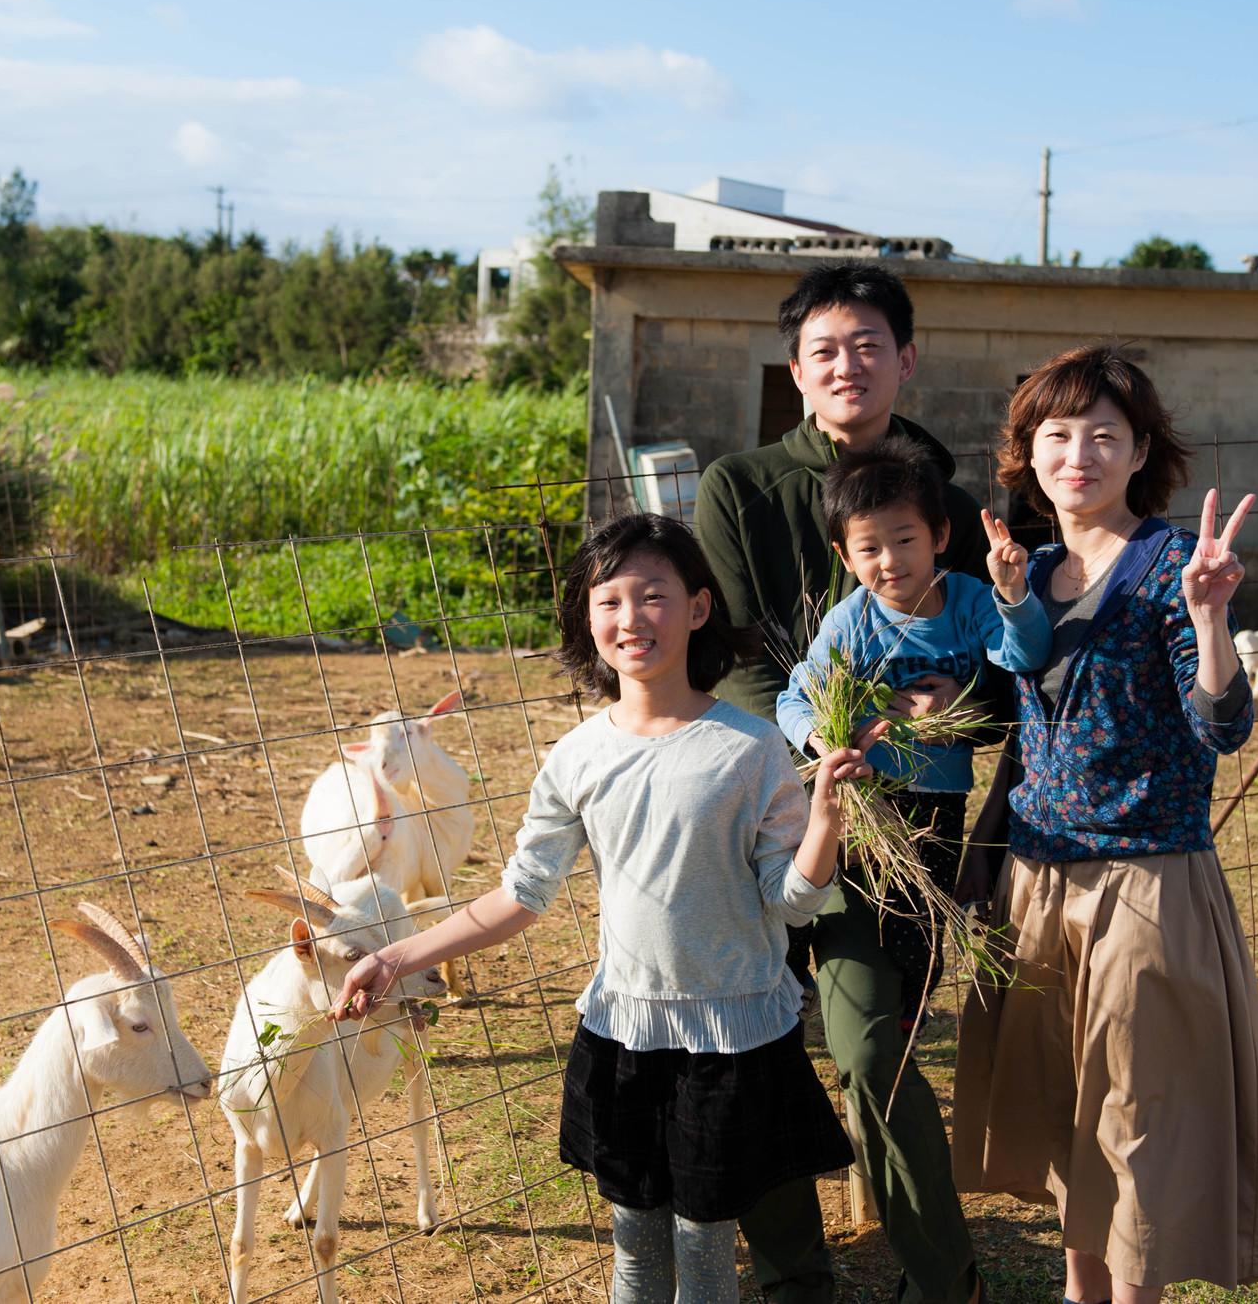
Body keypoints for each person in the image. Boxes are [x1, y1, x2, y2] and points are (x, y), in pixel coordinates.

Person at [332, 512, 870, 1304]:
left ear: (697, 607)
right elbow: (521, 896)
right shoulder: (578, 756)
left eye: (653, 596)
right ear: (587, 618)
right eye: (609, 600)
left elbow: (791, 904)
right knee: (635, 1255)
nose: (630, 618)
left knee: (707, 1259)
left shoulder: (751, 750)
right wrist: (395, 957)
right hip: (624, 1034)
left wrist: (823, 820)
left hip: (730, 1039)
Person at [952, 344, 1258, 1303]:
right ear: (1026, 455)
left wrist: (1212, 621)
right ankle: (1081, 1290)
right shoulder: (1032, 574)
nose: (1080, 454)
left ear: (1140, 450)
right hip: (1037, 876)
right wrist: (988, 853)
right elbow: (1029, 738)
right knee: (1070, 1104)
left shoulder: (1169, 570)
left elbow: (1219, 726)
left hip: (1146, 882)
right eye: (1056, 435)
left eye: (1104, 434)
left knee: (1136, 1116)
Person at [694, 260, 987, 1304]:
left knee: (874, 1047)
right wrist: (830, 732)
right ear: (796, 368)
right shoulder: (740, 486)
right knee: (750, 1031)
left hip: (897, 827)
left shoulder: (949, 499)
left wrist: (933, 714)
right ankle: (790, 1271)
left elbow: (986, 677)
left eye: (869, 344)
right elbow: (725, 651)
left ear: (905, 359)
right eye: (825, 348)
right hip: (763, 804)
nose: (847, 364)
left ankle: (943, 1278)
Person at [776, 438, 1048, 1031]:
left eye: (905, 540)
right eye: (869, 547)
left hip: (938, 797)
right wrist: (823, 742)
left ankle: (909, 1006)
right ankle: (790, 984)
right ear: (845, 556)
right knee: (810, 897)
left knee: (919, 912)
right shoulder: (852, 621)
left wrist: (1014, 597)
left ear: (940, 537)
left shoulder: (973, 602)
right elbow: (793, 697)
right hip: (863, 796)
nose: (890, 560)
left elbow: (1023, 656)